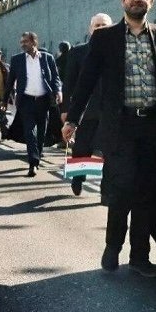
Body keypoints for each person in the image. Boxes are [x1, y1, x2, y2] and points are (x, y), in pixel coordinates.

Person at [63, 0, 156, 277]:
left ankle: (140, 257)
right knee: (121, 190)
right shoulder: (105, 38)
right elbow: (86, 81)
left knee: (146, 193)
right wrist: (72, 119)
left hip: (154, 127)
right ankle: (112, 245)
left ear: (151, 1)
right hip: (121, 128)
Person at [60, 13, 113, 195]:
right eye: (97, 25)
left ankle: (107, 187)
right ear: (90, 29)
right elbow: (69, 84)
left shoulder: (118, 51)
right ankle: (78, 177)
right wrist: (66, 110)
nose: (101, 28)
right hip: (85, 111)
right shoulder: (78, 52)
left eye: (104, 25)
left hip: (110, 111)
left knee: (110, 151)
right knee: (82, 148)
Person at [3, 32, 62, 177]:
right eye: (21, 42)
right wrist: (4, 101)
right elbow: (10, 82)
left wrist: (58, 91)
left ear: (34, 42)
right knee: (29, 132)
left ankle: (38, 154)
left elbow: (55, 77)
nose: (23, 44)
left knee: (42, 132)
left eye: (26, 42)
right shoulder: (17, 60)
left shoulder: (47, 58)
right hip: (26, 101)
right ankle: (33, 162)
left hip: (43, 100)